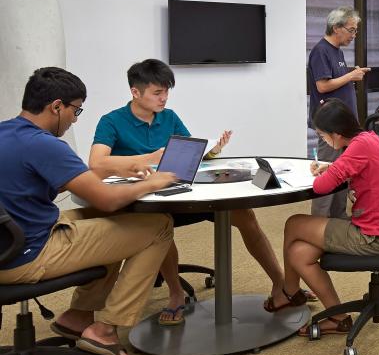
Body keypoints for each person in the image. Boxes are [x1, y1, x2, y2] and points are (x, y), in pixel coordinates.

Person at [88, 59, 312, 325]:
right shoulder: (112, 121)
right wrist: (151, 158)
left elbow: (188, 153)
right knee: (160, 225)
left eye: (167, 91)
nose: (164, 98)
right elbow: (97, 163)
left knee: (245, 214)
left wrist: (212, 152)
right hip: (148, 198)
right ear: (135, 92)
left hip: (183, 189)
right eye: (157, 93)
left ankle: (281, 285)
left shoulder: (168, 117)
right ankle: (176, 293)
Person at [0, 67, 176, 355]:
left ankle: (78, 316)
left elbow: (69, 178)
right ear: (57, 106)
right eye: (75, 110)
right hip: (26, 254)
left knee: (112, 219)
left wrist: (114, 170)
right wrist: (152, 182)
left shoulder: (7, 132)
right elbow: (106, 198)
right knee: (158, 226)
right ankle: (106, 329)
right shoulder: (45, 144)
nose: (75, 119)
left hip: (9, 240)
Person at [271, 99, 379, 336]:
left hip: (374, 236)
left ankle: (288, 293)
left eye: (322, 135)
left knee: (294, 223)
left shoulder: (358, 148)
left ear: (337, 134)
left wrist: (330, 170)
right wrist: (333, 167)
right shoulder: (367, 139)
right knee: (298, 253)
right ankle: (338, 317)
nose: (322, 140)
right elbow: (348, 169)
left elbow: (322, 187)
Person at [308, 7, 368, 219]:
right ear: (336, 28)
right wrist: (351, 76)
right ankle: (319, 222)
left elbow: (336, 82)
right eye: (351, 30)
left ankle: (338, 218)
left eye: (355, 31)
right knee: (327, 172)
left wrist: (351, 73)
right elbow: (322, 86)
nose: (354, 35)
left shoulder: (337, 52)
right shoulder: (321, 51)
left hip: (342, 127)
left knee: (343, 173)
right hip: (330, 127)